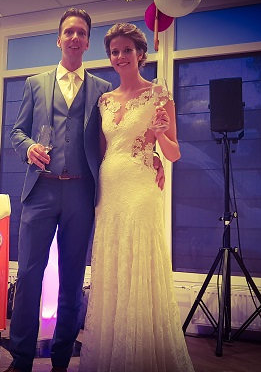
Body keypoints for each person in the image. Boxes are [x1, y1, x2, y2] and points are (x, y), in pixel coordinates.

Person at [6, 10, 164, 372]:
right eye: (68, 32)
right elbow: (17, 132)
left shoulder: (103, 91)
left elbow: (122, 134)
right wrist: (28, 148)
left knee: (73, 279)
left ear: (88, 41)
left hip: (82, 193)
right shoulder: (35, 84)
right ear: (59, 39)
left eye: (81, 32)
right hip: (40, 191)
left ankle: (61, 359)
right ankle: (21, 359)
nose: (75, 37)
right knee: (28, 276)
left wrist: (152, 156)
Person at [78, 22, 194, 372]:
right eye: (114, 51)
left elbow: (174, 154)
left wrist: (160, 138)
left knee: (139, 258)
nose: (120, 56)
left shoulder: (159, 96)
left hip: (141, 188)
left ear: (141, 54)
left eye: (127, 50)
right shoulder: (104, 100)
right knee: (113, 263)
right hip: (109, 190)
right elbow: (101, 152)